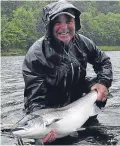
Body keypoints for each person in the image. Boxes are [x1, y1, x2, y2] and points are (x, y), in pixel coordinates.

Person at [22, 0, 113, 144]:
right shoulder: (36, 54)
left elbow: (104, 62)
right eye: (57, 22)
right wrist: (41, 133)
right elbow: (36, 99)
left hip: (78, 105)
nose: (64, 27)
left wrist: (103, 83)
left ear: (75, 22)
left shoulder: (83, 43)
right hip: (49, 111)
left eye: (68, 20)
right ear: (50, 26)